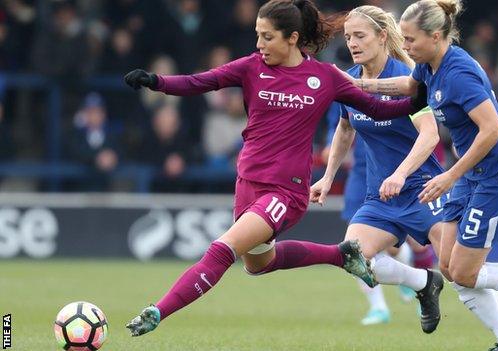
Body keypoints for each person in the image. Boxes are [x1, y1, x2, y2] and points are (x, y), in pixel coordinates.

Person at [122, 0, 431, 337]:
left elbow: (374, 108)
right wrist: (157, 81)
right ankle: (340, 255)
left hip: (286, 190)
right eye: (258, 35)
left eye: (267, 37)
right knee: (258, 265)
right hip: (248, 184)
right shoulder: (251, 67)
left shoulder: (324, 77)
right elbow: (202, 82)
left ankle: (157, 311)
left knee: (222, 249)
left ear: (292, 38)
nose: (259, 44)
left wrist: (420, 99)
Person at [348, 1, 498, 350]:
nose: (405, 47)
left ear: (436, 36)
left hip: (496, 178)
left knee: (466, 273)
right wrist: (356, 87)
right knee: (452, 269)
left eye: (410, 40)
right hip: (473, 177)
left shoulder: (459, 73)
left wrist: (450, 175)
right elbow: (409, 88)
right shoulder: (429, 67)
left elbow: (493, 131)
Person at [311, 5, 445, 334]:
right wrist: (327, 178)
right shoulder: (351, 83)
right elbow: (345, 129)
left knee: (464, 274)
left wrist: (400, 174)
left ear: (382, 36)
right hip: (381, 195)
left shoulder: (407, 79)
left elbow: (431, 135)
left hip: (423, 188)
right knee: (352, 257)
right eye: (348, 37)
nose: (353, 43)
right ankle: (424, 283)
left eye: (360, 35)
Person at [324, 101, 435, 326]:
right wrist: (329, 160)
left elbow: (429, 134)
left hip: (404, 177)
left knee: (406, 246)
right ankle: (378, 307)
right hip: (363, 174)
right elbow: (340, 127)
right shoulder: (349, 88)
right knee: (353, 250)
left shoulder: (404, 83)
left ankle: (414, 281)